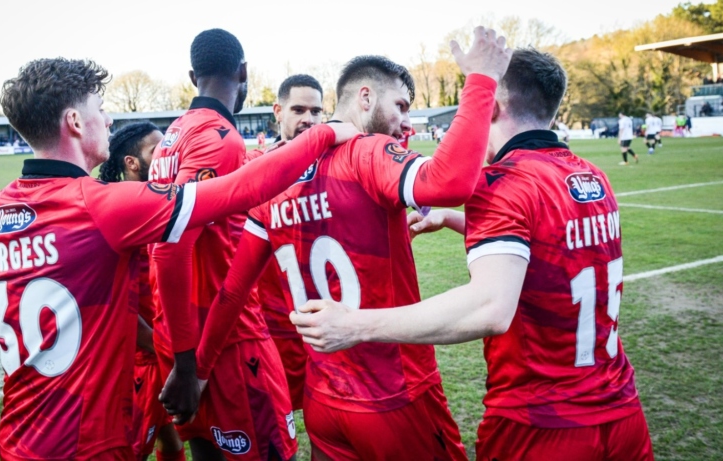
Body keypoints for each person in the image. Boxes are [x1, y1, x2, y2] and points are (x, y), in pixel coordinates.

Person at [0, 57, 356, 461]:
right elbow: (239, 192)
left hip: (20, 437)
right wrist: (324, 133)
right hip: (87, 441)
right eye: (99, 110)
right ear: (74, 122)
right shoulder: (101, 207)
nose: (107, 121)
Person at [291, 48, 654, 461]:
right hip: (623, 412)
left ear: (492, 105)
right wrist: (453, 219)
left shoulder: (500, 182)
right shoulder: (593, 176)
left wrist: (355, 325)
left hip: (540, 423)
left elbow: (490, 308)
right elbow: (552, 245)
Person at [194, 27, 512, 460]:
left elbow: (232, 291)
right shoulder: (367, 153)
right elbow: (451, 179)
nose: (404, 120)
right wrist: (481, 78)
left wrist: (197, 372)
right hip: (395, 395)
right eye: (399, 105)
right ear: (365, 98)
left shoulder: (275, 173)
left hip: (324, 399)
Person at [149, 29, 313, 461]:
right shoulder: (219, 137)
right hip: (224, 343)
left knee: (208, 449)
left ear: (192, 77)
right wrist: (191, 367)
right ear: (244, 72)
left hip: (183, 333)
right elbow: (171, 246)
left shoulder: (171, 137)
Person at [97, 122, 186, 461]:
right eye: (158, 150)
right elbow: (114, 303)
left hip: (163, 350)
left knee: (172, 440)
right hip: (142, 359)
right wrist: (165, 348)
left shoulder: (160, 200)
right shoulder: (118, 212)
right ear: (132, 163)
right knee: (130, 450)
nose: (168, 154)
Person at [253, 74, 325, 410]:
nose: (308, 119)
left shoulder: (338, 165)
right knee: (281, 427)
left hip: (330, 321)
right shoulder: (251, 168)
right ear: (278, 111)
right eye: (298, 109)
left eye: (316, 111)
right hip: (273, 325)